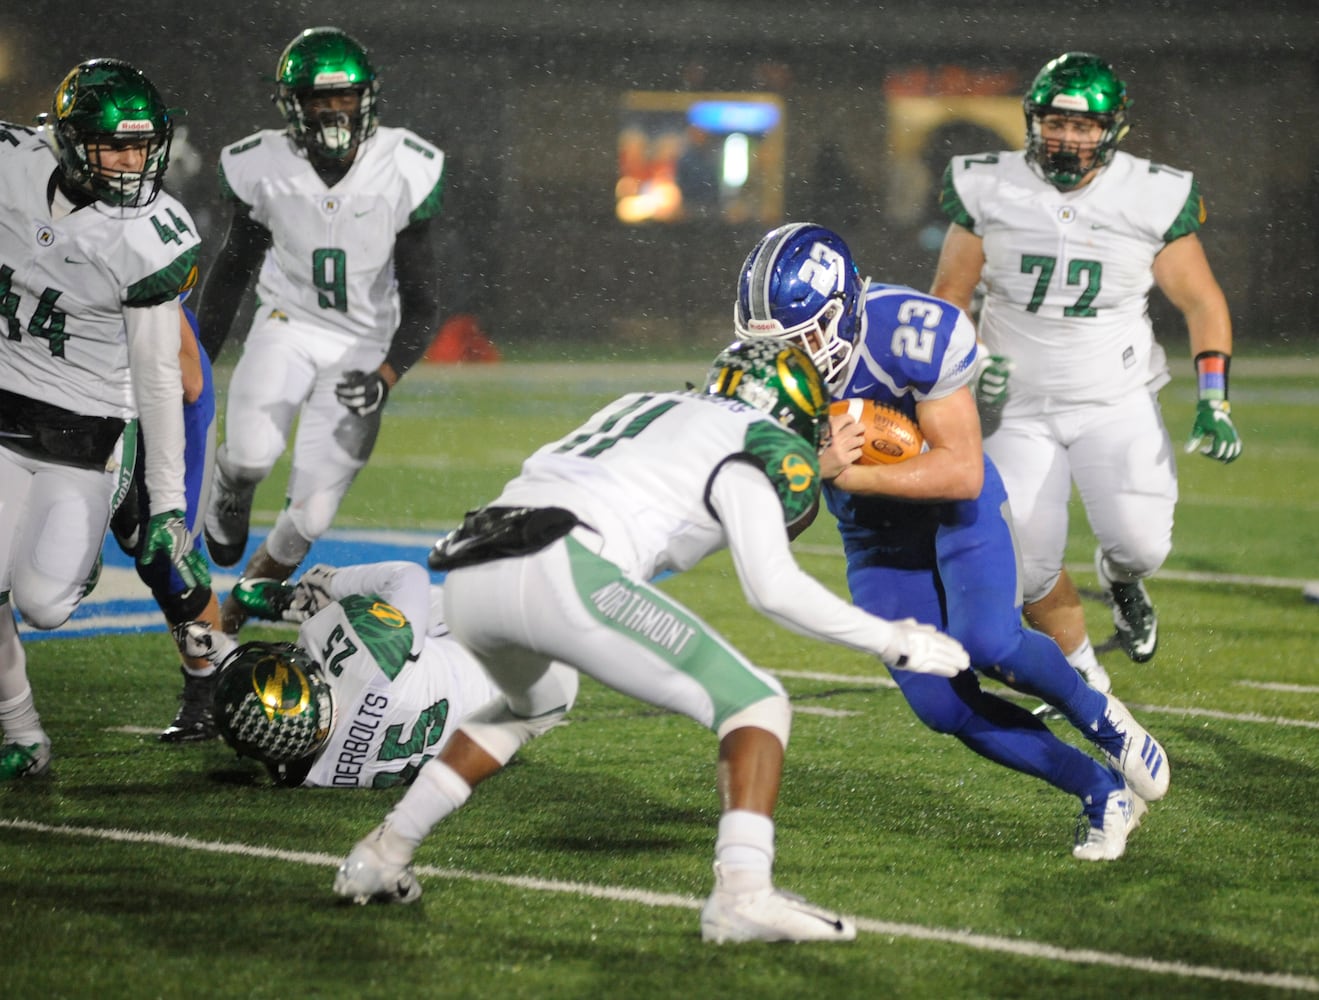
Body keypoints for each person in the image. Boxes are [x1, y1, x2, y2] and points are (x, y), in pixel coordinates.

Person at [332, 339, 972, 943]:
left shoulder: (643, 405)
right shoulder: (754, 439)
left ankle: (382, 854)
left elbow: (674, 500)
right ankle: (743, 894)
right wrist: (893, 639)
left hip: (474, 569)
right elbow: (773, 587)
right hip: (559, 567)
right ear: (787, 407)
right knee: (757, 704)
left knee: (543, 700)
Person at [734, 222, 1169, 861]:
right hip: (873, 536)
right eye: (772, 342)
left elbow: (962, 469)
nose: (789, 356)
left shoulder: (906, 333)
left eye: (803, 336)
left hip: (955, 511)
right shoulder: (759, 382)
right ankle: (1101, 792)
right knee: (940, 703)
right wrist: (803, 477)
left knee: (990, 642)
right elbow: (780, 520)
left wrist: (848, 470)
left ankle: (1103, 718)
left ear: (844, 311)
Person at [929, 52, 1242, 679]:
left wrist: (1215, 399)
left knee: (1142, 545)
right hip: (1016, 407)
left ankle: (1121, 580)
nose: (1067, 138)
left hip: (1114, 398)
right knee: (1028, 563)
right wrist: (974, 361)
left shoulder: (1150, 193)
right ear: (1032, 121)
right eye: (1055, 122)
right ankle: (1084, 681)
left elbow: (1200, 299)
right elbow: (949, 300)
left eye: (1083, 127)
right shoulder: (990, 184)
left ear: (1112, 130)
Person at [196, 26, 445, 638]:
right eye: (317, 100)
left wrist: (387, 375)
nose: (333, 111)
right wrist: (196, 357)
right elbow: (232, 273)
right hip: (288, 325)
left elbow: (423, 302)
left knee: (313, 513)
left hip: (362, 344)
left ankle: (244, 601)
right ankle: (232, 484)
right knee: (251, 455)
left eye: (343, 98)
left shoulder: (405, 165)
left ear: (367, 99)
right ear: (292, 105)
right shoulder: (263, 165)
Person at [0, 59, 206, 780]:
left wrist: (170, 504)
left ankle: (106, 509)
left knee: (44, 605)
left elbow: (158, 377)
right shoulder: (12, 166)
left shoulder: (148, 234)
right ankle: (21, 730)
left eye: (140, 148)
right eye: (111, 147)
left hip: (83, 433)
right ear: (67, 141)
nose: (128, 164)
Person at [173, 560, 543, 789]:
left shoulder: (308, 776)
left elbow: (269, 716)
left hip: (498, 736)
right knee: (407, 606)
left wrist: (221, 651)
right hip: (502, 660)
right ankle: (308, 596)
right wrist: (332, 582)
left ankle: (315, 602)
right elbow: (407, 576)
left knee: (401, 636)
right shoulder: (368, 659)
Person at [109, 301, 226, 742]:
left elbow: (189, 380)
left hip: (165, 407)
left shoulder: (134, 240)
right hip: (85, 401)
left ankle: (207, 691)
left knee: (167, 561)